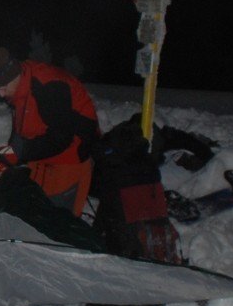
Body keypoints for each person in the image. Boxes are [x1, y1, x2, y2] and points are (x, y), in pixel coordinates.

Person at [0, 47, 100, 215]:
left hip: (70, 160)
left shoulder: (49, 86)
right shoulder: (19, 86)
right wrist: (7, 154)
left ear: (14, 75)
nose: (1, 94)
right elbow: (24, 130)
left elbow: (61, 138)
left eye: (3, 87)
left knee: (56, 222)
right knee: (33, 212)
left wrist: (20, 152)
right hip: (41, 161)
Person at [91, 113, 214, 264]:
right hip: (148, 187)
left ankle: (126, 249)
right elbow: (185, 140)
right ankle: (153, 251)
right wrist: (208, 155)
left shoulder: (111, 142)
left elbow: (99, 185)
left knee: (119, 225)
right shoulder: (154, 138)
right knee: (144, 225)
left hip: (122, 190)